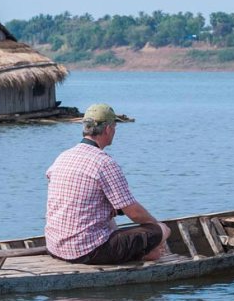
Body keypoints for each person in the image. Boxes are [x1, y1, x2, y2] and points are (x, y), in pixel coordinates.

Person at [45, 103, 171, 265]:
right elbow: (134, 212)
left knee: (112, 214)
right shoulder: (104, 163)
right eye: (115, 126)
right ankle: (147, 252)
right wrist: (156, 228)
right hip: (87, 251)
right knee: (160, 230)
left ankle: (143, 252)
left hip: (55, 246)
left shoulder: (63, 157)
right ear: (108, 129)